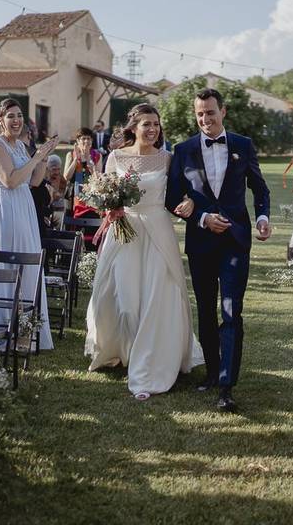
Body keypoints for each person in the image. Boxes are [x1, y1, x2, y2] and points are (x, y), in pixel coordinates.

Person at [86, 104, 205, 398]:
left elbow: (183, 192)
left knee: (157, 296)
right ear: (134, 127)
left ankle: (151, 363)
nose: (152, 129)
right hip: (124, 232)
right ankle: (123, 350)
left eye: (156, 124)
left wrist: (190, 201)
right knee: (127, 301)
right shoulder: (116, 156)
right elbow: (103, 195)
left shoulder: (168, 159)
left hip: (157, 230)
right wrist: (110, 206)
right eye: (146, 124)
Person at [166, 88, 271, 412]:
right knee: (207, 311)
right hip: (200, 243)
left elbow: (260, 187)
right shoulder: (182, 150)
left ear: (222, 112)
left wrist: (263, 216)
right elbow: (172, 199)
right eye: (200, 114)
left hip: (235, 242)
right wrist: (201, 218)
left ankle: (227, 386)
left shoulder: (243, 145)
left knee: (231, 310)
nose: (205, 119)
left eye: (210, 112)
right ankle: (212, 372)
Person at [0, 99, 59, 350]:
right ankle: (2, 330)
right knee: (7, 262)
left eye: (19, 116)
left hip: (24, 208)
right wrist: (35, 157)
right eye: (11, 116)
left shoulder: (21, 146)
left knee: (28, 262)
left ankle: (26, 330)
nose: (16, 120)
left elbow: (34, 181)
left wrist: (43, 157)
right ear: (0, 120)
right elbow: (10, 180)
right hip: (5, 208)